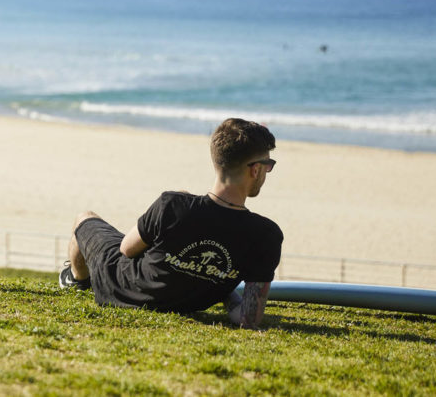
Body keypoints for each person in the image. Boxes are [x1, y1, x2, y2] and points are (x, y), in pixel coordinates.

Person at [59, 118, 283, 330]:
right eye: (268, 165)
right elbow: (249, 318)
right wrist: (221, 285)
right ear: (256, 170)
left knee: (84, 218)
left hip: (119, 289)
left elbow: (126, 249)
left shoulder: (173, 205)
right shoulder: (266, 235)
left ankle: (78, 281)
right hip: (184, 302)